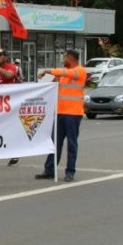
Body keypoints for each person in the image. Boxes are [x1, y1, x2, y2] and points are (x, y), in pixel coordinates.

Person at [35, 50, 86, 182]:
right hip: (60, 112)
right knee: (54, 143)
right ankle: (49, 170)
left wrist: (47, 71)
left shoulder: (79, 71)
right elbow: (53, 85)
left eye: (64, 57)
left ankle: (70, 172)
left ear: (70, 58)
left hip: (73, 114)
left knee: (71, 144)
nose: (63, 60)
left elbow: (64, 72)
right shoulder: (63, 73)